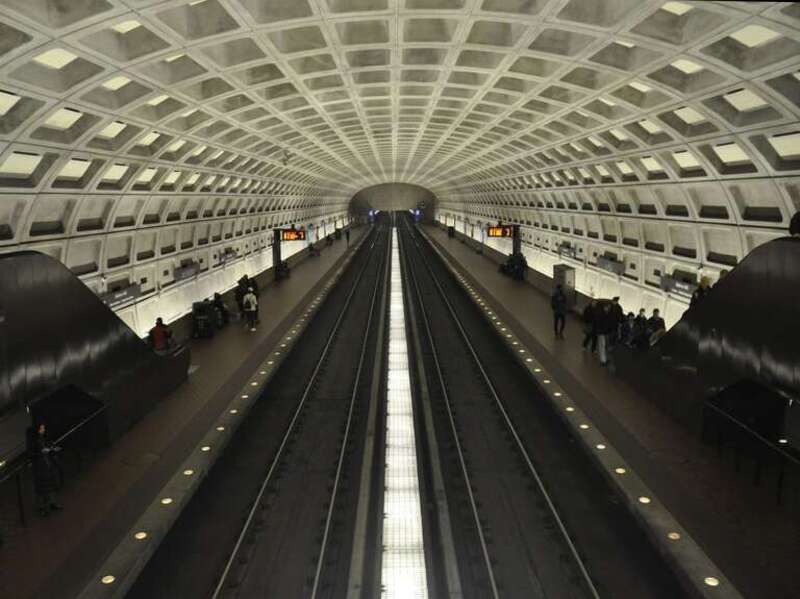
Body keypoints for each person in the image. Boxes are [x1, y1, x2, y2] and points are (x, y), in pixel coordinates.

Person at [26, 423, 62, 517]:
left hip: (47, 464)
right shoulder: (33, 441)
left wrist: (52, 449)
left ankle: (51, 503)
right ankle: (42, 508)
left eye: (43, 428)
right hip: (40, 467)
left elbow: (49, 445)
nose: (43, 430)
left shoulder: (43, 437)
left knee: (51, 484)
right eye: (41, 428)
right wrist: (42, 452)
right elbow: (31, 454)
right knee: (42, 488)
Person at [595, 302, 616, 366]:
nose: (608, 308)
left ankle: (604, 359)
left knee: (603, 345)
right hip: (602, 332)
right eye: (607, 307)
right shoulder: (601, 314)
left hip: (605, 332)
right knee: (602, 345)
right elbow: (598, 323)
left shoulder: (606, 314)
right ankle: (603, 360)